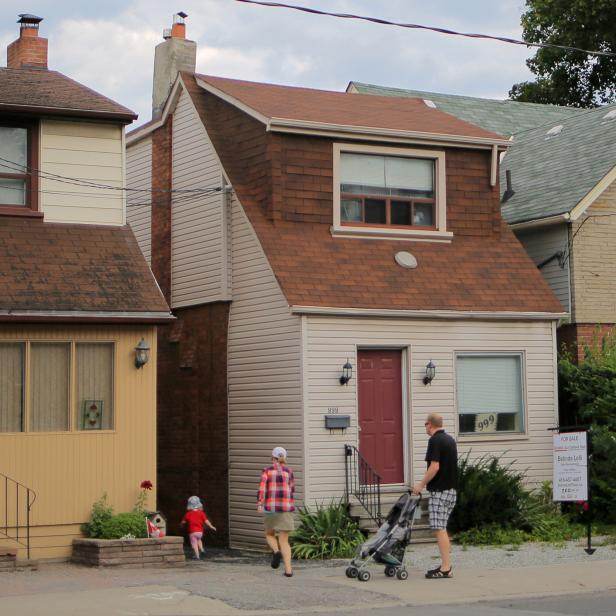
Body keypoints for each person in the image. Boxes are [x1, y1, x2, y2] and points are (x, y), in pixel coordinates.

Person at [412, 413, 457, 579]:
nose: (425, 427)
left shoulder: (435, 441)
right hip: (451, 491)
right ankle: (446, 565)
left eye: (425, 424)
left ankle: (446, 567)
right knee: (442, 528)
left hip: (440, 492)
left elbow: (434, 467)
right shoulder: (449, 440)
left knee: (439, 529)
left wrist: (420, 485)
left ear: (429, 424)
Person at [257, 446, 295, 577]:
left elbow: (262, 489)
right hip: (286, 508)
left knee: (269, 534)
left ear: (273, 458)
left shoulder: (266, 471)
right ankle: (289, 570)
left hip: (271, 508)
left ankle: (276, 551)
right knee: (284, 540)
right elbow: (292, 489)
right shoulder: (289, 471)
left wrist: (260, 504)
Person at [180, 495, 216, 560]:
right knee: (199, 540)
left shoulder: (188, 514)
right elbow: (206, 521)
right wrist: (211, 526)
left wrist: (181, 525)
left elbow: (183, 522)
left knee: (194, 544)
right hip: (200, 532)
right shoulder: (202, 513)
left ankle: (197, 556)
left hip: (192, 532)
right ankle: (202, 550)